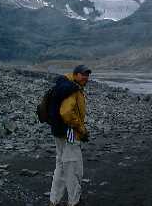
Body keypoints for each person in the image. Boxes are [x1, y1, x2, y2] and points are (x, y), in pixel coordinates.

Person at [49, 64, 91, 206]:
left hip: (59, 132)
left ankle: (54, 200)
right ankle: (74, 201)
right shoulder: (72, 89)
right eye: (83, 74)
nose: (86, 77)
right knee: (73, 165)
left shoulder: (64, 85)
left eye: (87, 75)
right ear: (75, 74)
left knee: (61, 165)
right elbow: (66, 112)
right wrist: (81, 128)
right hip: (69, 133)